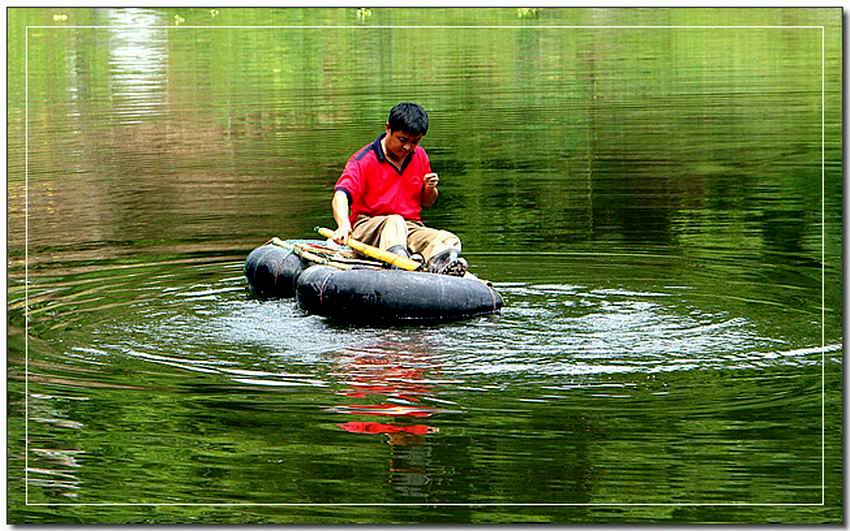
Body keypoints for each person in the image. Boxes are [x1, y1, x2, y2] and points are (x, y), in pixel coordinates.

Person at [330, 102, 467, 276]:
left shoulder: (420, 156)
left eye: (415, 142)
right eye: (403, 140)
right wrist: (343, 225)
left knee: (449, 239)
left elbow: (428, 202)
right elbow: (341, 195)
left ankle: (439, 266)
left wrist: (430, 188)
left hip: (409, 227)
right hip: (370, 227)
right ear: (388, 129)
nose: (408, 147)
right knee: (394, 222)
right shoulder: (363, 160)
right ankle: (399, 265)